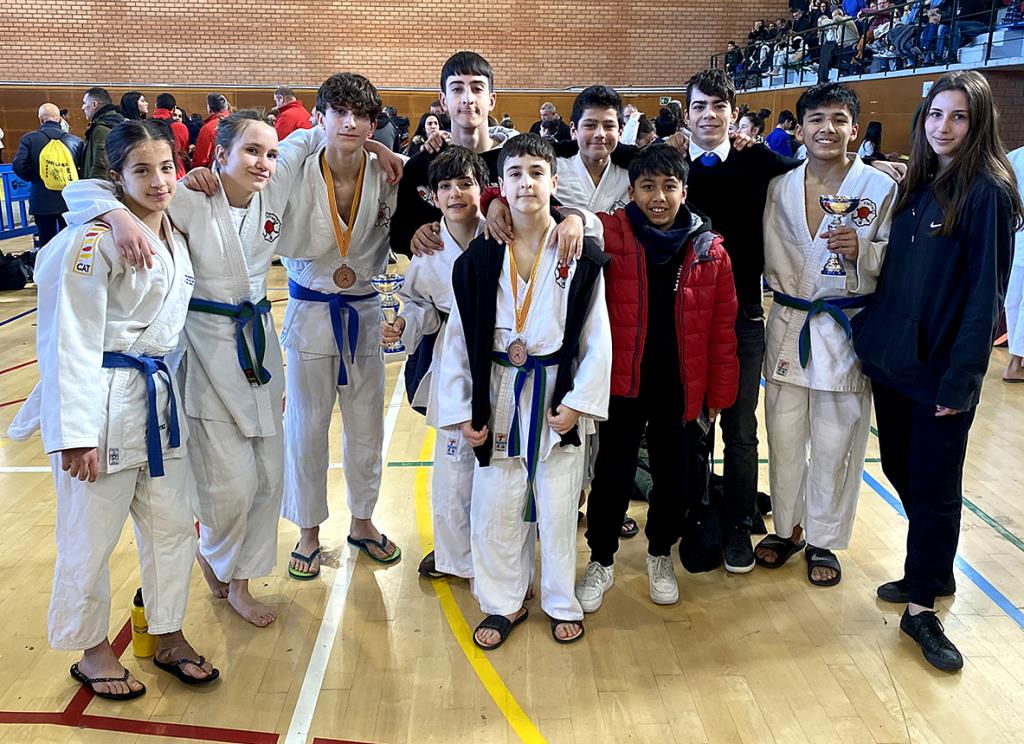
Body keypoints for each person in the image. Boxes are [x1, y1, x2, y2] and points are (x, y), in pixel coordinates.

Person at [61, 109, 329, 627]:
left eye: (270, 153)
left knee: (269, 476)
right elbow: (90, 192)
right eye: (251, 151)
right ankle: (215, 554)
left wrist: (382, 150)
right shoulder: (183, 193)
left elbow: (318, 134)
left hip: (259, 347)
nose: (264, 162)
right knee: (228, 483)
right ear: (218, 154)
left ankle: (242, 580)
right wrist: (115, 216)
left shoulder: (272, 189)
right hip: (205, 352)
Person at [6, 119, 218, 700]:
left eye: (166, 167)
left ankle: (169, 632)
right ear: (115, 176)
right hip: (99, 401)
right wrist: (73, 433)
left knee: (172, 527)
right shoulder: (91, 241)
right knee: (89, 536)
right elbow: (67, 341)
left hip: (157, 402)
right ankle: (92, 648)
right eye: (141, 170)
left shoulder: (171, 231)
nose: (158, 181)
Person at [852, 70, 1021, 671]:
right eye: (934, 115)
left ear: (979, 124)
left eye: (958, 117)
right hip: (896, 361)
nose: (943, 127)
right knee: (901, 469)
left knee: (935, 488)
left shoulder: (989, 192)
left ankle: (923, 606)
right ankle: (934, 568)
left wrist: (962, 379)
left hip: (941, 373)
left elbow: (985, 297)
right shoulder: (922, 184)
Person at [437, 133, 612, 649]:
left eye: (536, 172)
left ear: (554, 183)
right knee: (496, 502)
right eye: (514, 173)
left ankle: (560, 598)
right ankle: (503, 601)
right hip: (497, 390)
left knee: (558, 505)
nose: (525, 183)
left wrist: (579, 403)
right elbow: (458, 337)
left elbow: (596, 334)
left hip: (553, 391)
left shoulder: (578, 253)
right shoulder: (480, 257)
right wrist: (461, 407)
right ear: (500, 186)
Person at [575, 144, 738, 611]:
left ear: (685, 190)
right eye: (648, 187)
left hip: (680, 386)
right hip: (622, 383)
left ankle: (660, 553)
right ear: (632, 191)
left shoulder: (710, 251)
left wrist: (718, 395)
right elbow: (551, 212)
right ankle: (601, 558)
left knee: (674, 477)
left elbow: (722, 330)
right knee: (612, 474)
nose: (659, 197)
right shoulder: (610, 235)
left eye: (669, 187)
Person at [755, 83, 897, 586]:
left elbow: (895, 260)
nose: (827, 129)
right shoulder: (780, 187)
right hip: (789, 323)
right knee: (786, 435)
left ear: (854, 129)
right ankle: (789, 528)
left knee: (838, 439)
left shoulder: (880, 188)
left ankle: (823, 538)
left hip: (844, 327)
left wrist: (863, 254)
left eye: (839, 119)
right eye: (816, 119)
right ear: (800, 128)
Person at [277, 73, 407, 576]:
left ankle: (363, 522)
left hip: (367, 311)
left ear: (375, 122)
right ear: (321, 117)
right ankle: (308, 531)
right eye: (339, 112)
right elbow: (291, 143)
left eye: (362, 116)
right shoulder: (296, 165)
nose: (349, 123)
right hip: (311, 309)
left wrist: (381, 149)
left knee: (366, 425)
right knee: (305, 427)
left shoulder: (387, 172)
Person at [677, 69, 802, 573]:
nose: (709, 115)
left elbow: (811, 168)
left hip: (744, 318)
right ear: (686, 115)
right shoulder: (669, 168)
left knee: (741, 428)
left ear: (733, 114)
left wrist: (883, 170)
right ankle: (693, 515)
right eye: (700, 106)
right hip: (683, 319)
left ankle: (737, 525)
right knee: (690, 424)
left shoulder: (757, 161)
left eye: (718, 107)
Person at [382, 146, 488, 580]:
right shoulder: (428, 248)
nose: (456, 193)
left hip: (500, 358)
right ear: (432, 195)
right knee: (451, 464)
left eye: (466, 183)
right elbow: (418, 304)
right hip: (450, 360)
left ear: (485, 189)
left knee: (497, 461)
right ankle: (453, 554)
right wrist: (403, 321)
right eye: (446, 186)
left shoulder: (500, 234)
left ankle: (493, 549)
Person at [11, 103, 85, 248]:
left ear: (40, 119)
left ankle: (48, 269)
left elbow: (18, 165)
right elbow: (82, 170)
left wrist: (36, 178)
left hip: (41, 199)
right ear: (60, 119)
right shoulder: (76, 141)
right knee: (71, 240)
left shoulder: (29, 139)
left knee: (46, 242)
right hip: (70, 200)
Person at [1005, 145, 1024, 382]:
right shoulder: (1013, 157)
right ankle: (1015, 362)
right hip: (1017, 239)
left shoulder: (1013, 157)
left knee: (1013, 303)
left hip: (1014, 239)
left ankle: (1016, 358)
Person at [81, 87, 124, 179]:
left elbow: (100, 165)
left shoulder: (101, 129)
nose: (83, 107)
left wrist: (94, 188)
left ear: (94, 105)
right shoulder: (115, 122)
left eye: (84, 103)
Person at [150, 94, 190, 178]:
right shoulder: (180, 127)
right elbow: (184, 151)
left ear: (156, 106)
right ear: (174, 108)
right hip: (176, 173)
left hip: (150, 173)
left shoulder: (143, 125)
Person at [191, 93, 231, 169]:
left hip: (216, 174)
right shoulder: (239, 123)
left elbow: (200, 161)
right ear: (226, 106)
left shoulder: (208, 128)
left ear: (209, 108)